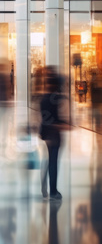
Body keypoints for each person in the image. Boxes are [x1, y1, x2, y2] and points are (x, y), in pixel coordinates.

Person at [39, 67, 69, 200]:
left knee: (49, 160)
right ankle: (53, 191)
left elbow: (42, 116)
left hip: (46, 133)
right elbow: (61, 118)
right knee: (53, 162)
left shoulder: (44, 98)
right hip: (54, 134)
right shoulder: (58, 98)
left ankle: (45, 185)